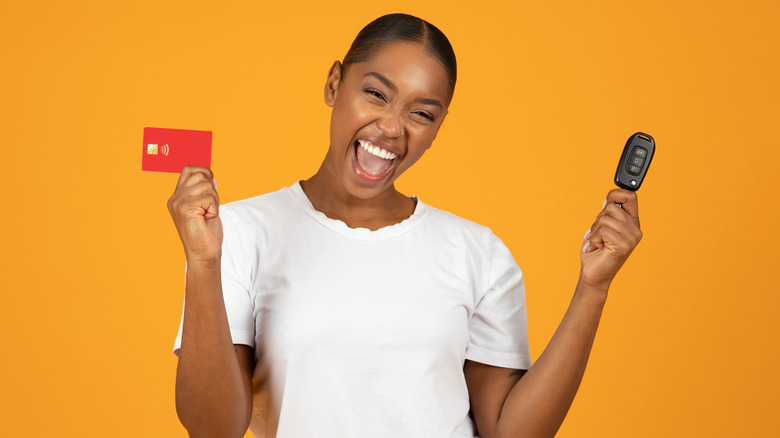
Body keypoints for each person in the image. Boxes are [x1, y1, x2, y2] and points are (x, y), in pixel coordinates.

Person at [168, 13, 642, 438]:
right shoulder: (238, 233)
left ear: (438, 129)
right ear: (335, 83)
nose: (393, 129)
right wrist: (204, 262)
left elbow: (511, 433)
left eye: (421, 114)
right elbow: (213, 430)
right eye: (376, 94)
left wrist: (593, 288)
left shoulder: (478, 252)